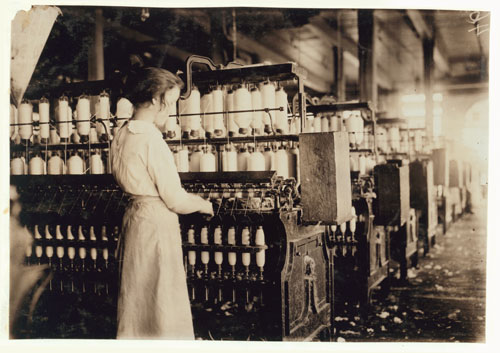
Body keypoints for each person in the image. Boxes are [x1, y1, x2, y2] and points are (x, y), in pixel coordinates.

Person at [110, 67, 213, 339]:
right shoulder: (151, 139)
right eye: (171, 102)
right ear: (155, 99)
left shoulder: (121, 134)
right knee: (162, 303)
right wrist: (205, 205)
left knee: (136, 299)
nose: (171, 109)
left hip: (135, 218)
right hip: (156, 223)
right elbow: (175, 199)